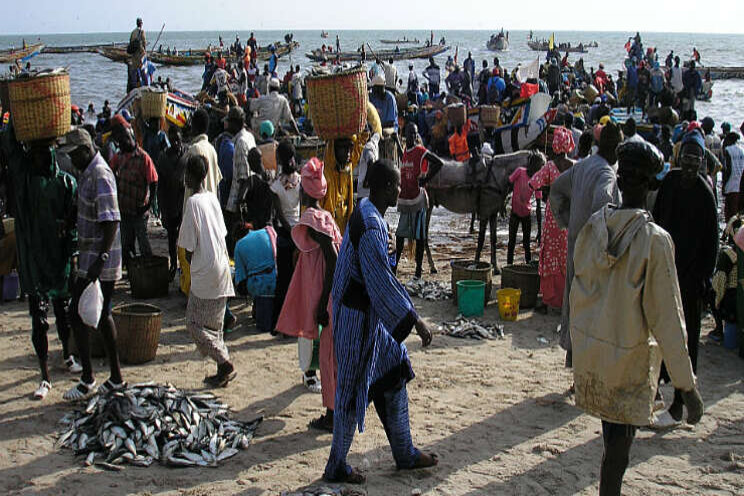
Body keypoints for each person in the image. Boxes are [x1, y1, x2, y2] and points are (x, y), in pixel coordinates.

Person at [571, 140, 704, 496]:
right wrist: (685, 386)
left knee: (612, 443)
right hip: (627, 362)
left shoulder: (594, 227)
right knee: (619, 452)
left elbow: (578, 292)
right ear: (649, 185)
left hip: (595, 358)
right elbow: (669, 322)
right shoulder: (654, 241)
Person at [323, 159, 437, 484]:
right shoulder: (372, 225)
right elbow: (380, 282)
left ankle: (405, 452)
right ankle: (336, 465)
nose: (401, 190)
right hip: (356, 320)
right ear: (386, 187)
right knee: (349, 390)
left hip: (367, 316)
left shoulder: (365, 212)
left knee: (395, 368)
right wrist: (415, 321)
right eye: (398, 185)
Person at [1, 121, 79, 400]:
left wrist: (72, 253)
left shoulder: (65, 182)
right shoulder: (24, 180)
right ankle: (45, 374)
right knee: (39, 317)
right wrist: (11, 119)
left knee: (63, 310)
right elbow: (9, 147)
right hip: (33, 258)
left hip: (58, 258)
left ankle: (68, 356)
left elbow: (73, 223)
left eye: (44, 153)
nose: (40, 159)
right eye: (35, 154)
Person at [652, 129, 717, 422]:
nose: (690, 164)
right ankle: (655, 394)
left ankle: (681, 402)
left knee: (686, 341)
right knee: (656, 335)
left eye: (696, 160)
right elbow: (656, 221)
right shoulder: (670, 183)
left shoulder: (705, 195)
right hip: (665, 272)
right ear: (679, 158)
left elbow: (712, 245)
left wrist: (702, 279)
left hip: (690, 282)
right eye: (687, 158)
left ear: (702, 162)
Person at [57, 128, 126, 400]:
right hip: (90, 257)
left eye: (74, 155)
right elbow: (82, 206)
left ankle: (90, 379)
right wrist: (69, 221)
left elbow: (111, 221)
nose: (72, 161)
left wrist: (101, 259)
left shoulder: (100, 174)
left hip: (100, 260)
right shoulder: (86, 172)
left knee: (81, 313)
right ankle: (113, 378)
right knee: (96, 314)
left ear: (86, 151)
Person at [276, 158, 342, 431]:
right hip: (334, 295)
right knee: (333, 355)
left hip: (329, 297)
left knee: (328, 357)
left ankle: (332, 415)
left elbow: (333, 259)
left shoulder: (312, 219)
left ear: (304, 192)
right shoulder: (326, 217)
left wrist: (323, 305)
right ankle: (336, 409)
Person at [550, 122, 623, 367]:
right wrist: (603, 239)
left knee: (574, 301)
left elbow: (556, 189)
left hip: (575, 244)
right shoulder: (606, 173)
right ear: (616, 149)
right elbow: (603, 203)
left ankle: (572, 356)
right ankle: (585, 365)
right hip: (592, 251)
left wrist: (567, 220)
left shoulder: (582, 166)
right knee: (593, 307)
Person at [178, 154, 237, 388]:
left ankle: (224, 362)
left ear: (191, 176)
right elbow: (221, 233)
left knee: (194, 323)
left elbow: (189, 246)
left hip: (206, 269)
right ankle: (222, 369)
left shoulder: (192, 203)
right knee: (216, 326)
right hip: (222, 265)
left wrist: (191, 268)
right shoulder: (211, 198)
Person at [530, 127, 575, 311]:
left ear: (555, 146)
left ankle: (549, 299)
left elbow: (533, 183)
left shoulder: (549, 167)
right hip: (570, 214)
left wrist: (547, 187)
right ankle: (568, 298)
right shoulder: (575, 166)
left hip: (553, 215)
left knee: (550, 254)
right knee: (567, 253)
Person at [109, 114, 158, 269]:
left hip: (139, 209)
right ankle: (131, 271)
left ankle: (148, 268)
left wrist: (148, 204)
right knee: (126, 242)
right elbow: (109, 173)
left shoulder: (144, 158)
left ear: (131, 140)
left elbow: (153, 181)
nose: (122, 144)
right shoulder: (119, 156)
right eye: (120, 142)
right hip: (124, 209)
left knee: (143, 241)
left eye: (124, 141)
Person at [395, 124, 443, 279]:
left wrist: (426, 179)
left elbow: (438, 163)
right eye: (410, 134)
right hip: (405, 199)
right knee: (400, 235)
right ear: (405, 135)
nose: (413, 137)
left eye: (415, 134)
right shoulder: (405, 153)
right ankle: (394, 266)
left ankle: (418, 269)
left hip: (418, 200)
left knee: (419, 236)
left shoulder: (420, 152)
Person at [156, 126, 186, 278]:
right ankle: (173, 264)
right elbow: (159, 185)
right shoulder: (163, 158)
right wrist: (160, 206)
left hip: (183, 203)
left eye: (178, 139)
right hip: (169, 203)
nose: (175, 142)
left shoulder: (186, 155)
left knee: (185, 237)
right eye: (173, 139)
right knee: (171, 236)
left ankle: (182, 265)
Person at [507, 157, 535, 266]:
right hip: (515, 212)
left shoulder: (536, 179)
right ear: (530, 164)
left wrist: (540, 231)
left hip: (526, 214)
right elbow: (509, 183)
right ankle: (509, 265)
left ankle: (528, 263)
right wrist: (503, 202)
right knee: (511, 241)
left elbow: (538, 199)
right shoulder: (520, 171)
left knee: (526, 242)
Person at [723, 132, 744, 220]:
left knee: (730, 215)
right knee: (738, 214)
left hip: (731, 185)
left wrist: (724, 184)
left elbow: (728, 169)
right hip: (740, 185)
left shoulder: (727, 150)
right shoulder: (742, 150)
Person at [127, 18, 147, 93]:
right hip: (140, 54)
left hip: (134, 55)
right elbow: (144, 42)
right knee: (143, 71)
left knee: (134, 71)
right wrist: (145, 52)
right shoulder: (142, 32)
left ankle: (134, 88)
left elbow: (130, 42)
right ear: (141, 24)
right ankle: (146, 86)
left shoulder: (133, 32)